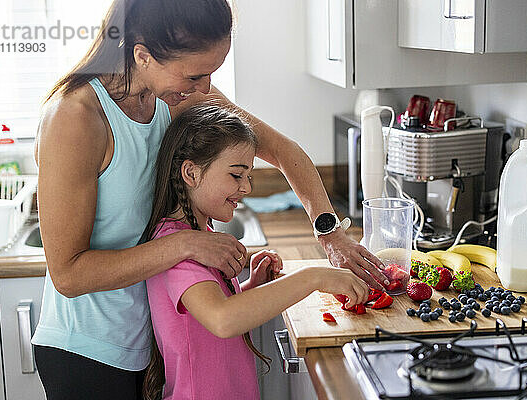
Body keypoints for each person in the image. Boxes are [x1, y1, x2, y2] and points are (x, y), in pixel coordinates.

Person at [31, 0, 388, 399]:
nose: (205, 89)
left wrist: (331, 234)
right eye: (197, 74)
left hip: (144, 348)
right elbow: (68, 275)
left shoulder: (173, 92)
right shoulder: (75, 116)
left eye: (212, 73)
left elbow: (284, 151)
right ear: (143, 56)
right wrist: (187, 243)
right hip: (85, 354)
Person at [143, 104, 370, 400]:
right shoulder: (176, 247)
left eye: (248, 176)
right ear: (191, 172)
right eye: (237, 175)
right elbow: (223, 320)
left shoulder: (204, 240)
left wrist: (253, 287)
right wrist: (313, 277)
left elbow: (205, 317)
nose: (247, 188)